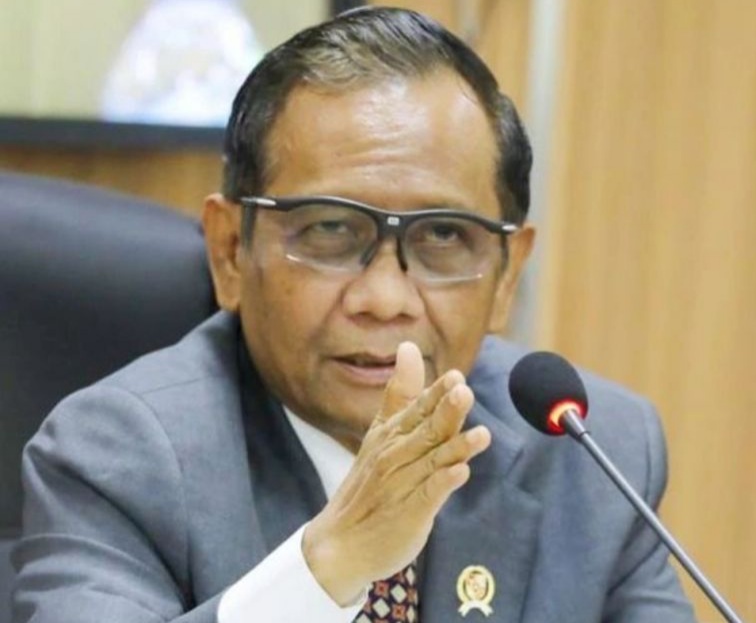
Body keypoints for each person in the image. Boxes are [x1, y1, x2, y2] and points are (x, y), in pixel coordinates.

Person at [12, 7, 696, 623]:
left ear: (507, 275)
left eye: (443, 236)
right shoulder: (118, 458)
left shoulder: (591, 453)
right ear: (229, 252)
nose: (385, 298)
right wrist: (327, 568)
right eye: (330, 230)